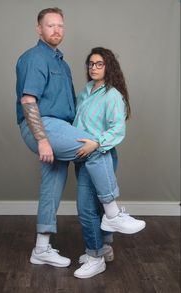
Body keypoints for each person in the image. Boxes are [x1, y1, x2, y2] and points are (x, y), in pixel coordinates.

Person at [16, 7, 144, 270]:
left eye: (61, 26)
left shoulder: (60, 63)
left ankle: (41, 248)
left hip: (60, 128)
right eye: (50, 25)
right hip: (45, 126)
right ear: (39, 29)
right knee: (92, 144)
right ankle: (112, 213)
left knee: (51, 186)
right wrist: (42, 139)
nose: (56, 30)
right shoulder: (34, 58)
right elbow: (28, 100)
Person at [72, 47, 146, 278]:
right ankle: (103, 248)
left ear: (108, 66)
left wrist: (96, 143)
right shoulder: (86, 91)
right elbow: (76, 120)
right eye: (90, 64)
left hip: (99, 155)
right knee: (92, 209)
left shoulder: (112, 94)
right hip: (82, 157)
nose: (93, 68)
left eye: (99, 64)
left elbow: (117, 129)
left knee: (86, 209)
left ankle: (95, 258)